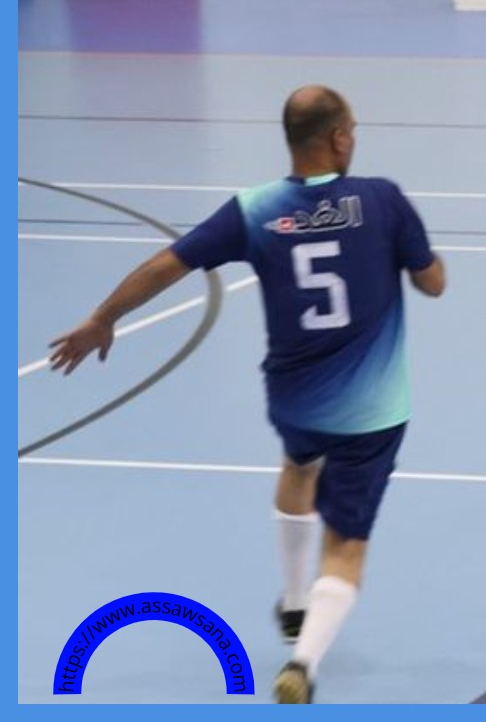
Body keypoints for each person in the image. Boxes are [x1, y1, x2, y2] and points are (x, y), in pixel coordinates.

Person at [48, 85, 447, 702]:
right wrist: (413, 256)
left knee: (299, 465)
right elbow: (432, 283)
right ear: (339, 137)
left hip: (294, 400)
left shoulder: (255, 209)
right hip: (372, 411)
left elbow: (167, 263)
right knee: (345, 546)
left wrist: (103, 317)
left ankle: (294, 599)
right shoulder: (382, 199)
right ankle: (303, 664)